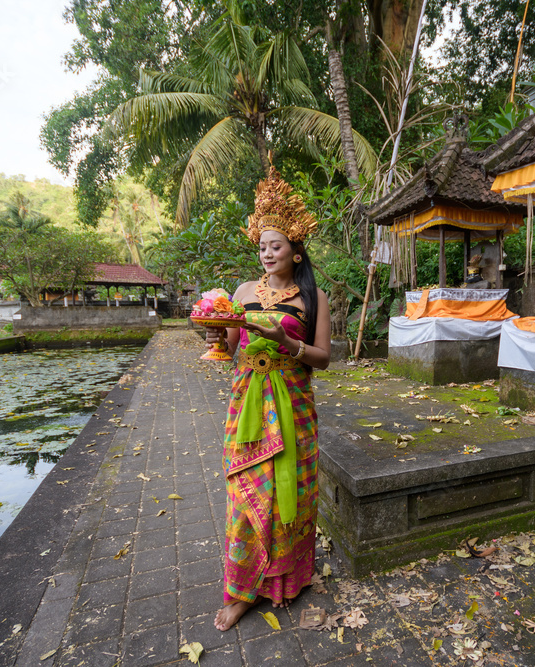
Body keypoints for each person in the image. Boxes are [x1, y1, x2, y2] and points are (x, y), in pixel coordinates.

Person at [205, 167, 331, 632]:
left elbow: (322, 359)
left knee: (290, 496)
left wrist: (286, 341)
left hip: (293, 405)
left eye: (275, 245)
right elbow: (231, 351)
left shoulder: (314, 298)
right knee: (245, 497)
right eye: (261, 246)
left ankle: (284, 582)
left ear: (295, 252)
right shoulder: (241, 293)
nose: (266, 253)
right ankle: (241, 592)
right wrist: (219, 337)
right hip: (248, 406)